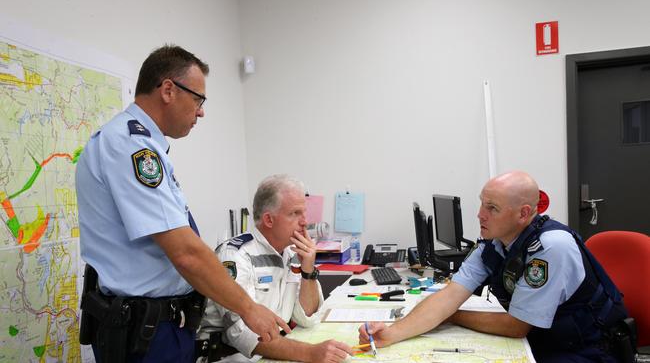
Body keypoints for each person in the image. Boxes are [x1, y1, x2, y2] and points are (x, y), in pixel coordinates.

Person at [76, 45, 289, 363]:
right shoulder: (130, 146)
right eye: (198, 99)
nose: (201, 111)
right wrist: (248, 308)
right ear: (167, 90)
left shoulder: (142, 144)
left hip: (161, 326)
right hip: (146, 335)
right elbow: (185, 253)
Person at [359, 171, 628, 362]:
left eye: (492, 208)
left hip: (586, 351)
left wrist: (453, 316)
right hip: (547, 343)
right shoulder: (494, 244)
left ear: (523, 213)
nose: (480, 214)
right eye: (481, 203)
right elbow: (449, 296)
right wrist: (390, 334)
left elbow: (517, 327)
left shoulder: (550, 247)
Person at [196, 174, 353, 363]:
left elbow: (306, 317)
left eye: (304, 212)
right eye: (295, 213)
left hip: (272, 350)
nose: (304, 221)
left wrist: (308, 271)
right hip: (231, 356)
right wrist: (310, 353)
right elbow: (241, 334)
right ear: (269, 220)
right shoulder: (235, 254)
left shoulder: (291, 252)